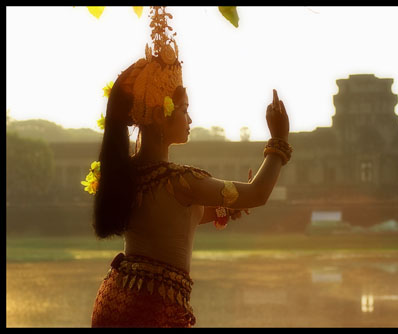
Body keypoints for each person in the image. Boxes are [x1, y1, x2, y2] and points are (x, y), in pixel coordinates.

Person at [89, 53, 292, 329]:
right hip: (153, 309)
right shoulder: (180, 181)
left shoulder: (127, 176)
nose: (190, 119)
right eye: (184, 110)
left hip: (115, 300)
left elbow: (178, 220)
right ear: (162, 116)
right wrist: (279, 141)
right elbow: (257, 193)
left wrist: (226, 209)